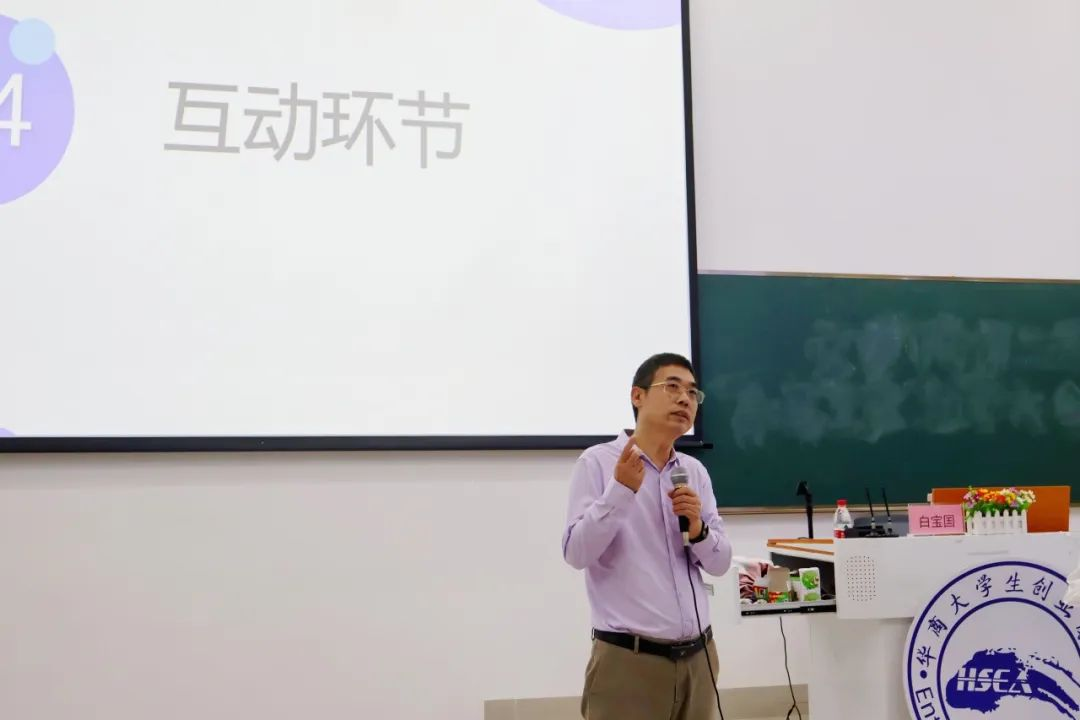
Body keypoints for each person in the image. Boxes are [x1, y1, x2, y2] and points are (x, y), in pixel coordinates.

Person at [562, 352, 733, 720]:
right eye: (672, 387)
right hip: (629, 663)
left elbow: (720, 564)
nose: (685, 399)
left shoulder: (694, 472)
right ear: (637, 396)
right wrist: (620, 491)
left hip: (699, 659)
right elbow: (576, 552)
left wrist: (698, 529)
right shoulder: (597, 463)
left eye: (692, 393)